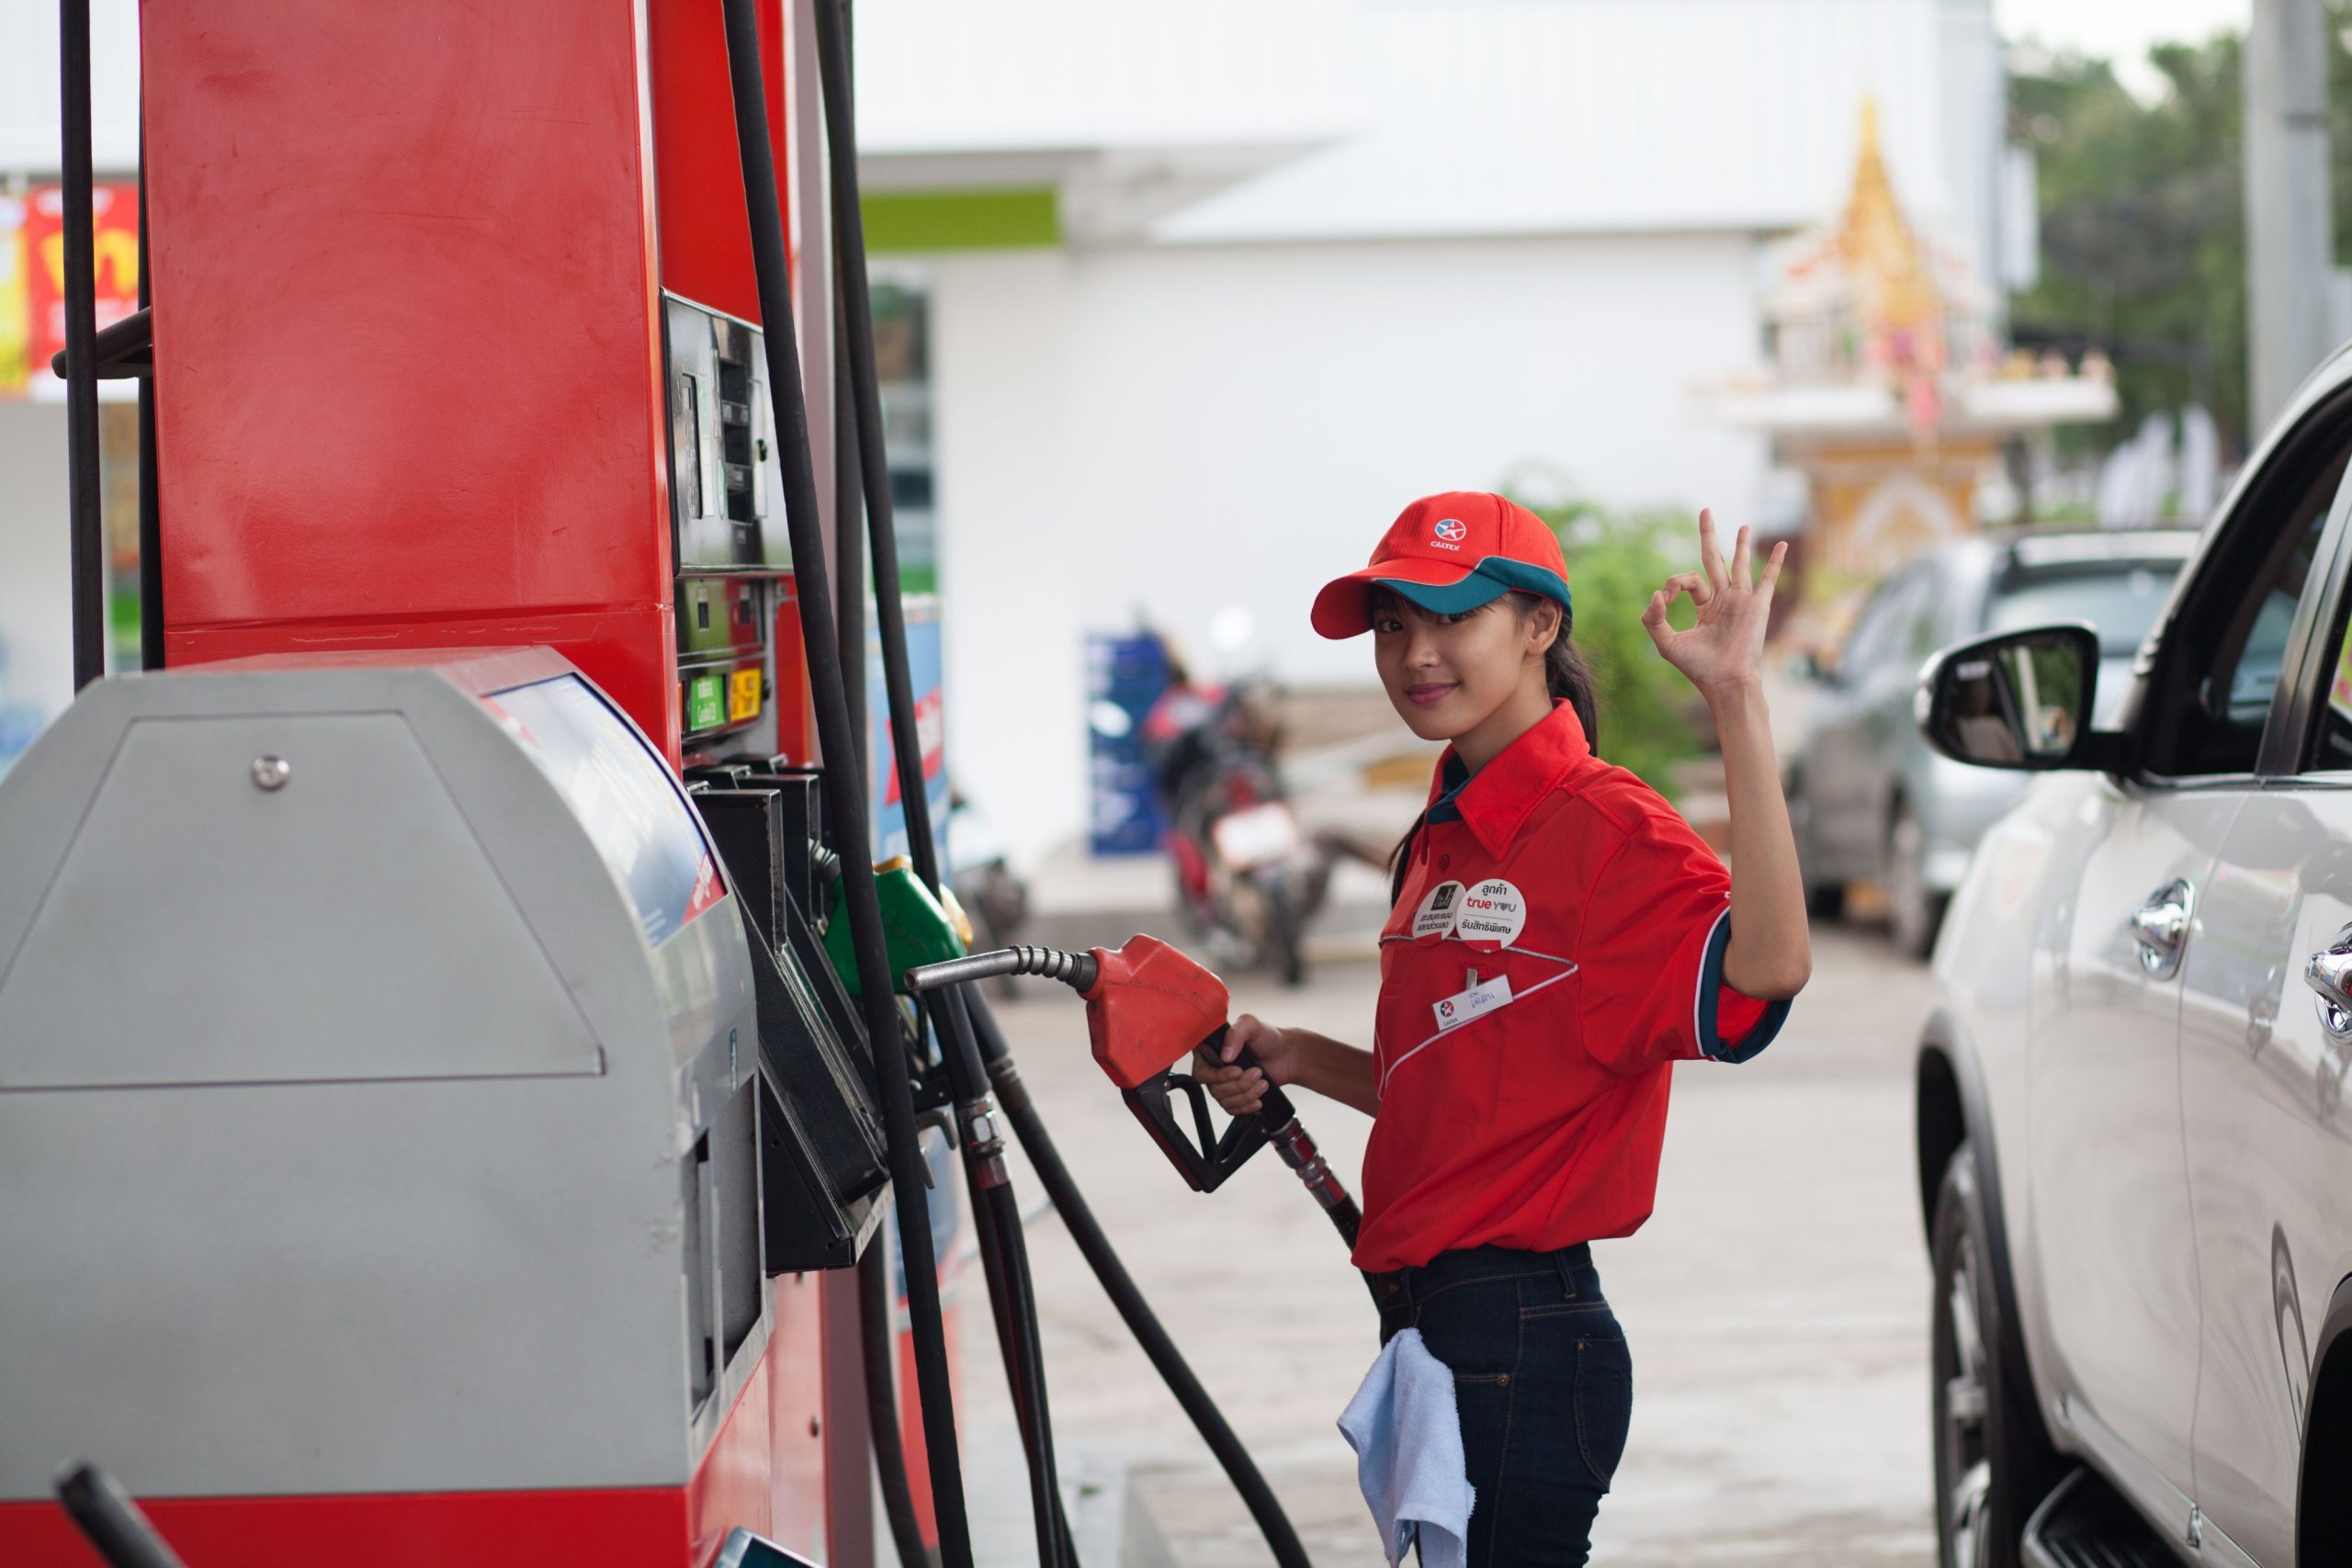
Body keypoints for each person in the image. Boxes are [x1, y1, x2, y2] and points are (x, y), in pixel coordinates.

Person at [1199, 491, 1811, 1565]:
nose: (1415, 654)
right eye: (1392, 624)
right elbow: (1448, 1085)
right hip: (1439, 1331)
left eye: (1452, 617)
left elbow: (1761, 979)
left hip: (1525, 1338)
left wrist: (1736, 699)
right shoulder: (1445, 834)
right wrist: (1296, 1056)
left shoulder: (1606, 827)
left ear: (1539, 627)